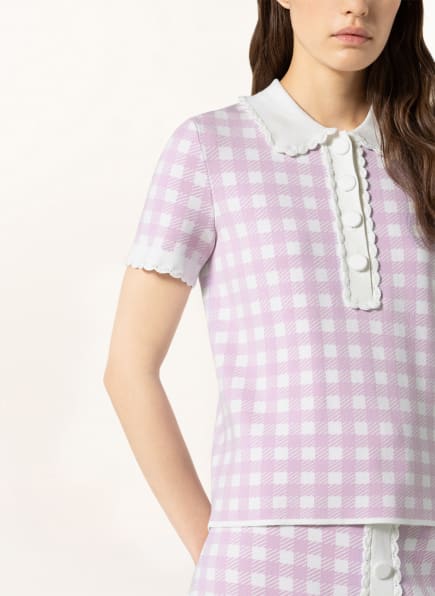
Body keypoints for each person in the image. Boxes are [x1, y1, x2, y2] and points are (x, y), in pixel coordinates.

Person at [103, 0, 435, 593]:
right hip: (264, 558)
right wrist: (213, 545)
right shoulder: (210, 148)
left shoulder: (426, 156)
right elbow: (129, 369)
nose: (357, 7)